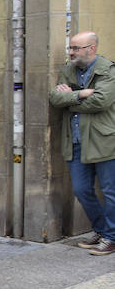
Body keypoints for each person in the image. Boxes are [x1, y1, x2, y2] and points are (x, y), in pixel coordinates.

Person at [49, 31, 115, 255]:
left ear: (92, 48)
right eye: (71, 48)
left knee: (110, 191)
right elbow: (55, 98)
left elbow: (102, 101)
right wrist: (83, 93)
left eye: (76, 48)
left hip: (104, 141)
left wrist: (72, 100)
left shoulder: (108, 70)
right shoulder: (69, 69)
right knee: (81, 189)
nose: (71, 52)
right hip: (75, 141)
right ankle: (102, 230)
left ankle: (112, 237)